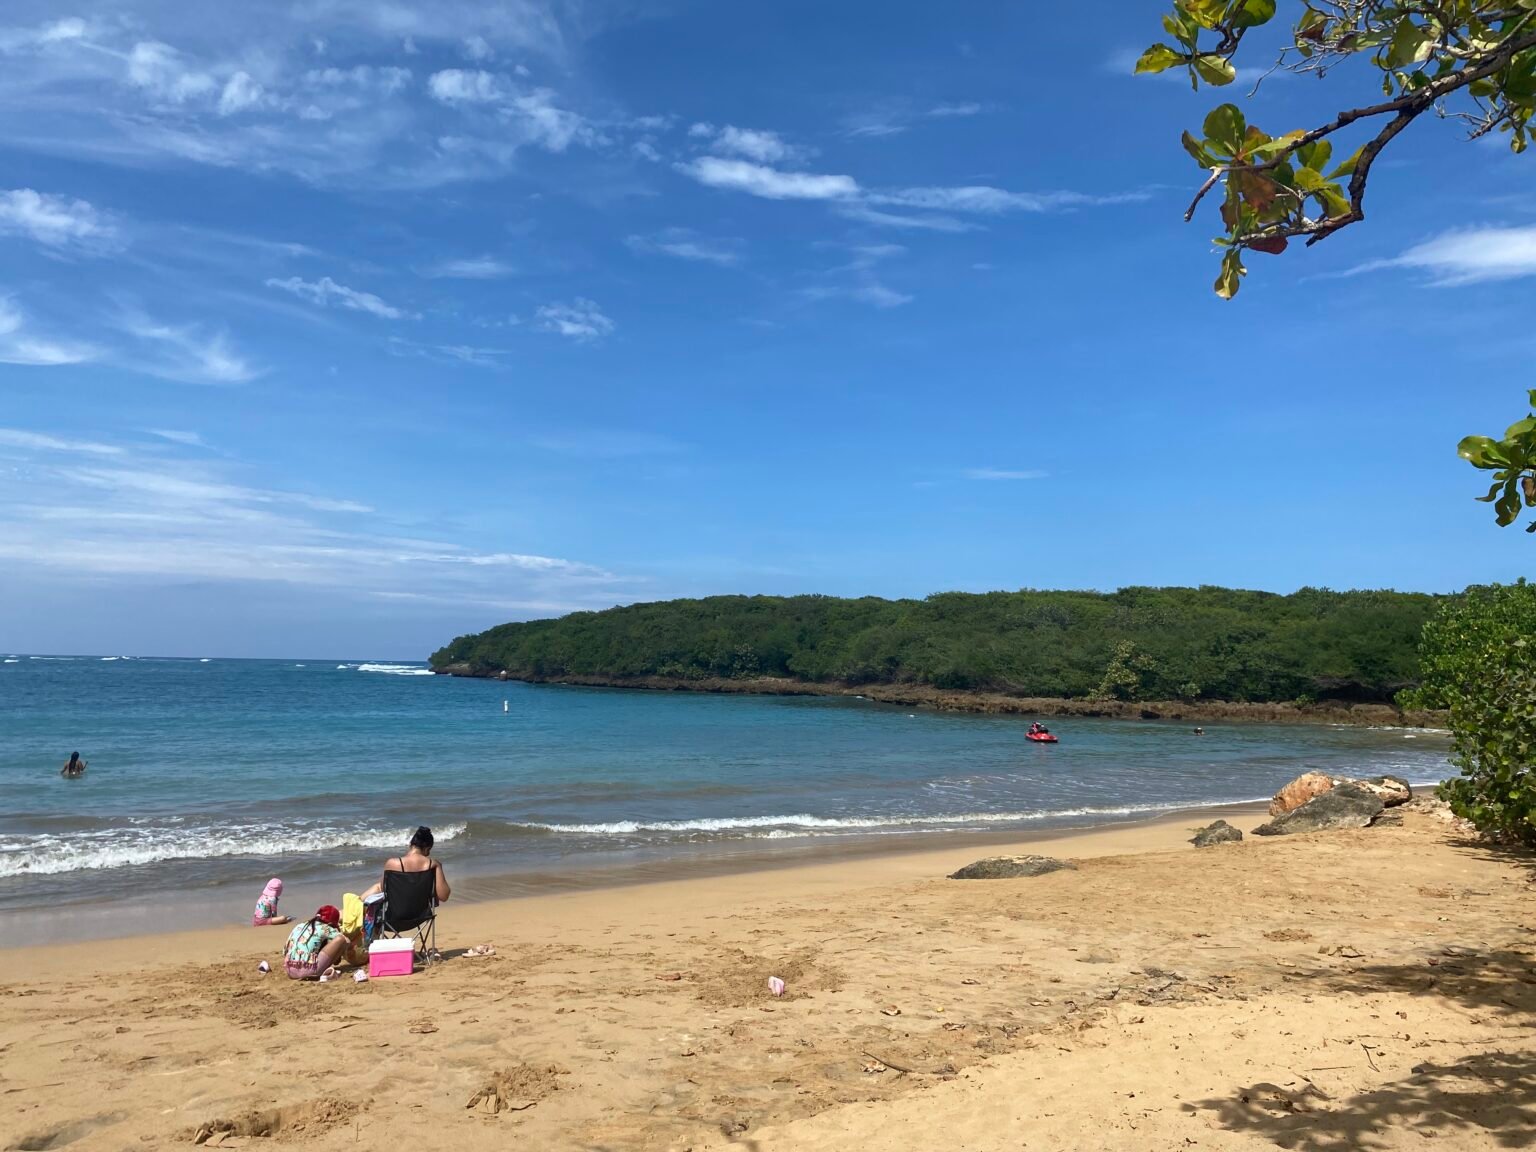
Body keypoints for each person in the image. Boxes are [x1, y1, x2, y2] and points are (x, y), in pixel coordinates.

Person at [362, 825, 451, 905]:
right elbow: (444, 896)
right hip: (421, 915)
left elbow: (383, 889)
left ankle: (357, 905)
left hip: (394, 916)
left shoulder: (392, 863)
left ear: (410, 845)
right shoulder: (433, 865)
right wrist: (439, 866)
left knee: (377, 886)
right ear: (427, 848)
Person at [283, 905, 349, 980]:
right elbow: (346, 940)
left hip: (290, 970)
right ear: (330, 923)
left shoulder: (299, 926)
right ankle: (324, 970)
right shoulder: (325, 927)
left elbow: (285, 951)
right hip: (309, 971)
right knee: (341, 939)